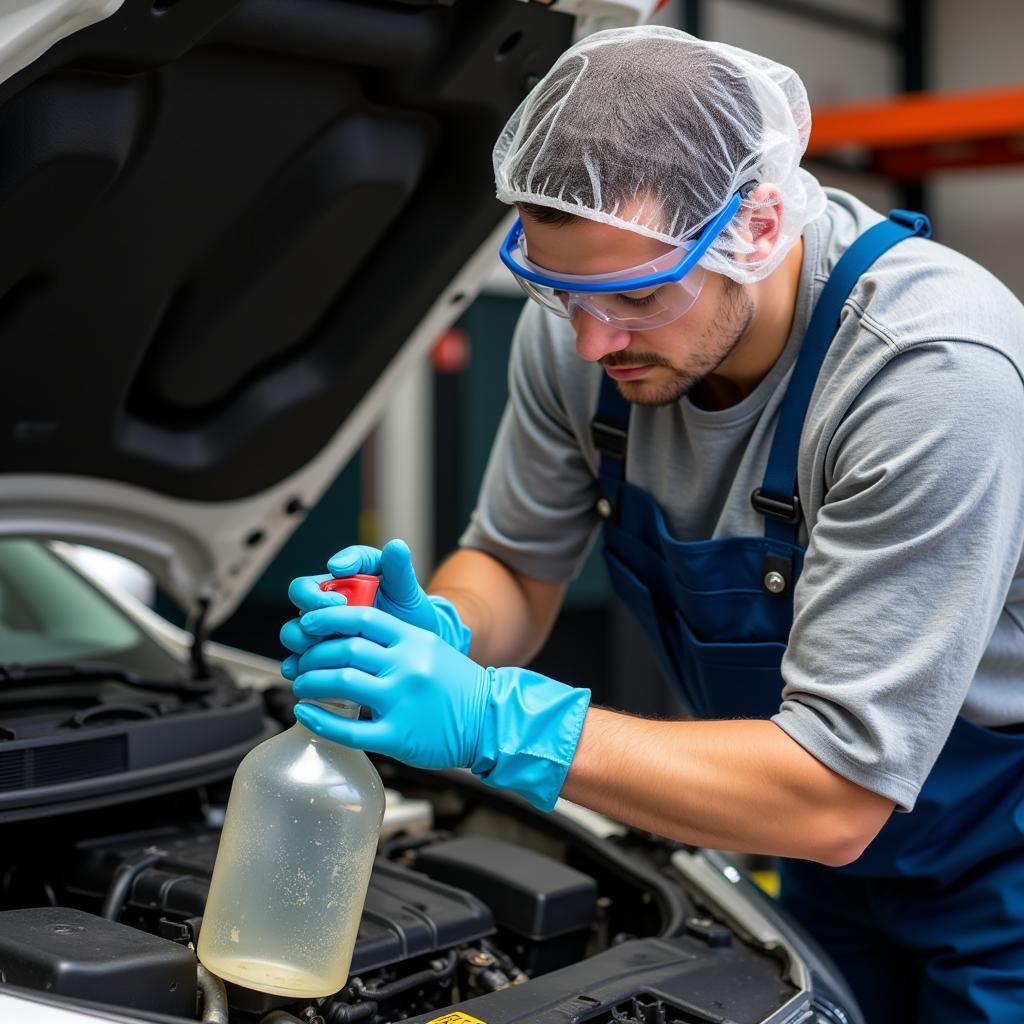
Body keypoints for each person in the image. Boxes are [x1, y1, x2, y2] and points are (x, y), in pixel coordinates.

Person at [280, 27, 1024, 1023]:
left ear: (754, 231)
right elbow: (513, 562)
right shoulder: (583, 338)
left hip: (995, 857)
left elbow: (835, 790)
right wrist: (440, 632)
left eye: (634, 295)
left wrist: (494, 718)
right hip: (813, 853)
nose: (593, 341)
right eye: (559, 291)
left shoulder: (926, 373)